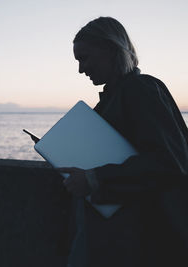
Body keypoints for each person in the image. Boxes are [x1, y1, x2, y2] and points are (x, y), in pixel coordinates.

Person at [57, 17, 188, 267]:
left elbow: (170, 161)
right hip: (117, 234)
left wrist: (93, 178)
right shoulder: (114, 96)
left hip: (140, 238)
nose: (81, 69)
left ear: (110, 50)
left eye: (85, 58)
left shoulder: (141, 89)